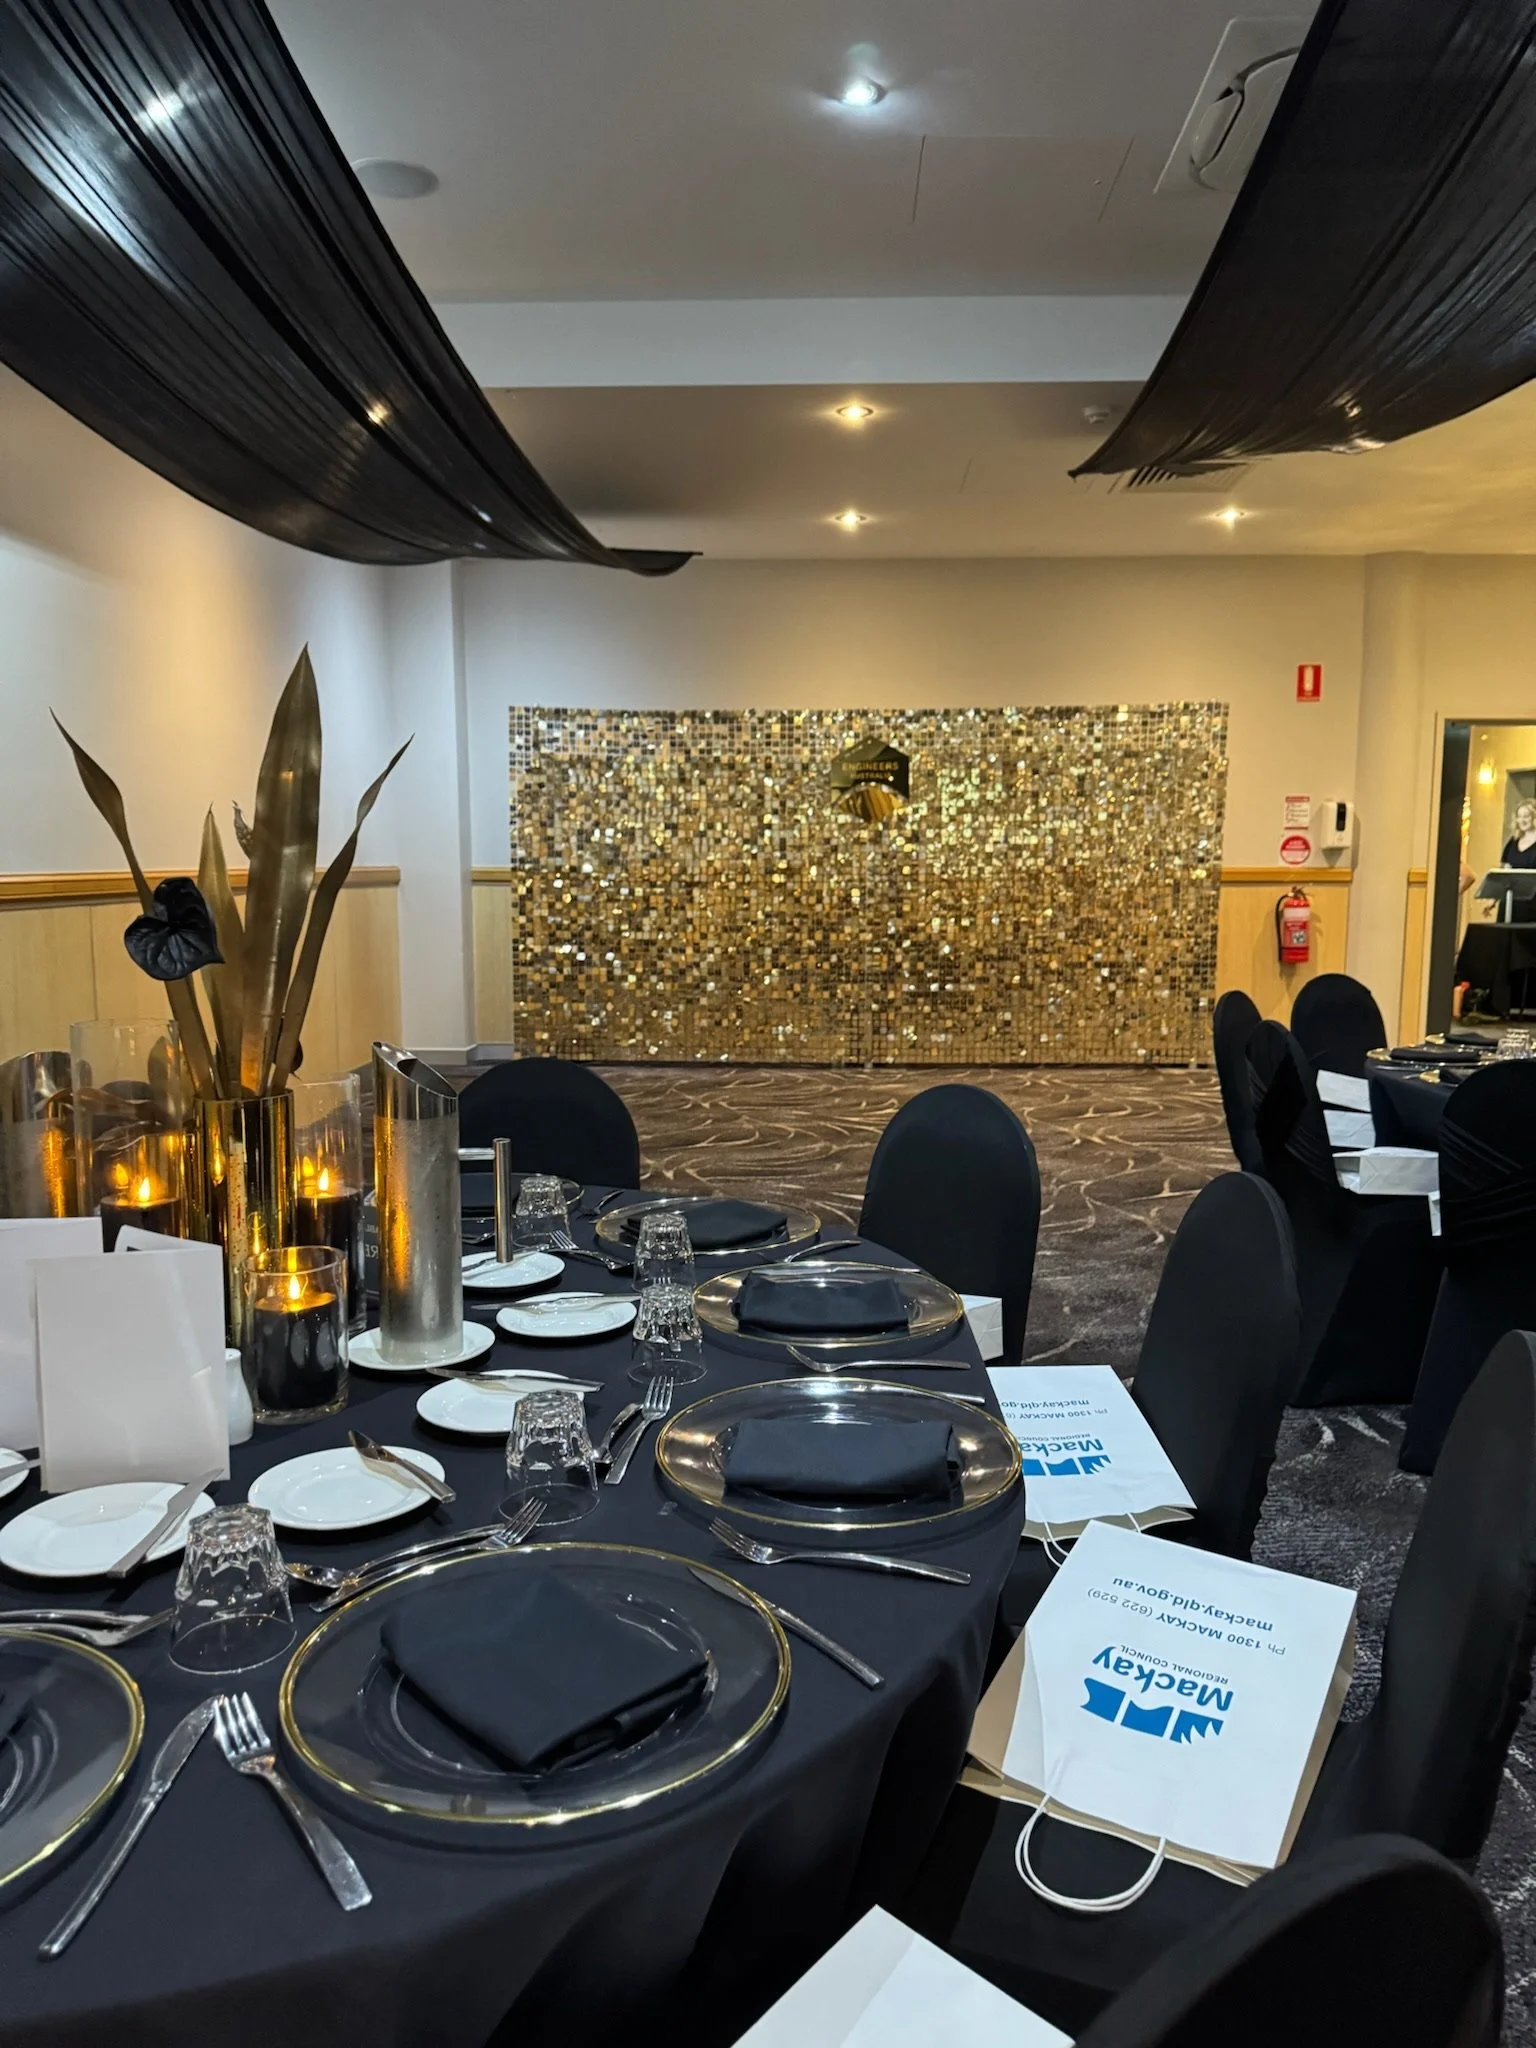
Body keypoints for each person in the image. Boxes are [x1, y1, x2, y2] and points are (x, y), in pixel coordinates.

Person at [1501, 798, 1536, 869]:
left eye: (1526, 816)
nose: (1522, 820)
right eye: (1519, 816)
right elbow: (1505, 865)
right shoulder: (1513, 840)